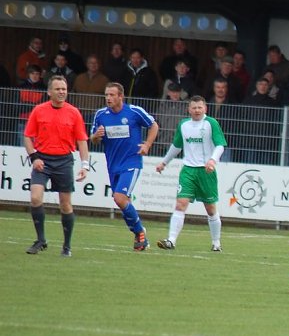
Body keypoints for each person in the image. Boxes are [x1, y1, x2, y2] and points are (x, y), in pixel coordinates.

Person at [22, 75, 90, 257]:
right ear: (49, 91)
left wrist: (85, 165)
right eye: (58, 89)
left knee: (65, 204)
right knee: (36, 198)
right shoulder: (39, 110)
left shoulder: (74, 112)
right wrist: (34, 157)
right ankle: (41, 240)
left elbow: (82, 141)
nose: (61, 92)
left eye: (64, 89)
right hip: (42, 160)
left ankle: (67, 246)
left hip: (64, 161)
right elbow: (27, 136)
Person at [90, 82, 160, 251]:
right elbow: (93, 139)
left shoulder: (134, 112)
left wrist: (147, 145)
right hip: (113, 164)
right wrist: (96, 136)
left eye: (112, 95)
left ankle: (139, 232)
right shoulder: (100, 115)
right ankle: (139, 233)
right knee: (122, 201)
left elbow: (153, 125)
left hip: (131, 162)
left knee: (119, 198)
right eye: (106, 95)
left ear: (120, 96)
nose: (108, 98)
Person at [155, 96, 228, 252]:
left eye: (199, 107)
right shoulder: (184, 125)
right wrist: (164, 162)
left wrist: (212, 161)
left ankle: (216, 243)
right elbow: (177, 146)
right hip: (188, 170)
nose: (197, 110)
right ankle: (171, 241)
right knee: (180, 204)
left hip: (206, 171)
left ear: (205, 108)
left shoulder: (211, 123)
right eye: (194, 108)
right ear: (189, 109)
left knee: (210, 209)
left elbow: (220, 145)